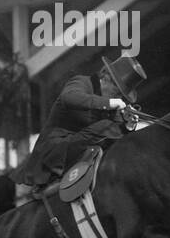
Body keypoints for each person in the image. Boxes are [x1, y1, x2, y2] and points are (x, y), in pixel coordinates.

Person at [10, 54, 146, 192]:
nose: (118, 98)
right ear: (106, 77)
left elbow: (104, 130)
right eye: (117, 92)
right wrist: (110, 103)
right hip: (53, 152)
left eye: (120, 96)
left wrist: (126, 126)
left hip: (77, 151)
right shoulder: (81, 82)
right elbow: (69, 97)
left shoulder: (107, 102)